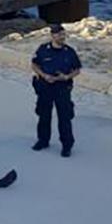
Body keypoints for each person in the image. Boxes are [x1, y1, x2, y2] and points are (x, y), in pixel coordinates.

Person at [31, 23, 81, 157]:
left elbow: (77, 69)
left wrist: (67, 77)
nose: (62, 37)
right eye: (59, 35)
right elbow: (34, 64)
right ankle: (43, 140)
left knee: (64, 118)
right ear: (52, 36)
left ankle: (66, 146)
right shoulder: (43, 49)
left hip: (62, 88)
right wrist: (44, 75)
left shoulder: (69, 52)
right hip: (45, 87)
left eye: (63, 34)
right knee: (43, 115)